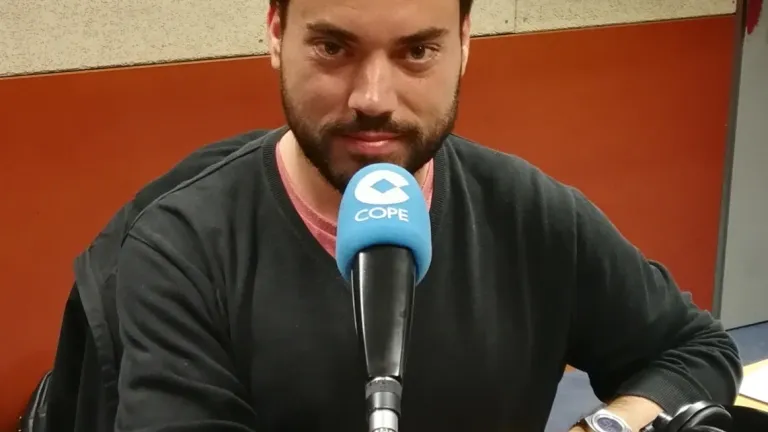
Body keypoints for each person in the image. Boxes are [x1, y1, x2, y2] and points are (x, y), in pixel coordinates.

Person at [113, 0, 743, 430]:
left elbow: (695, 351)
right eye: (332, 47)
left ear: (464, 43)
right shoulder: (182, 250)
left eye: (417, 51)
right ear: (276, 32)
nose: (373, 98)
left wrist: (605, 426)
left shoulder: (530, 215)